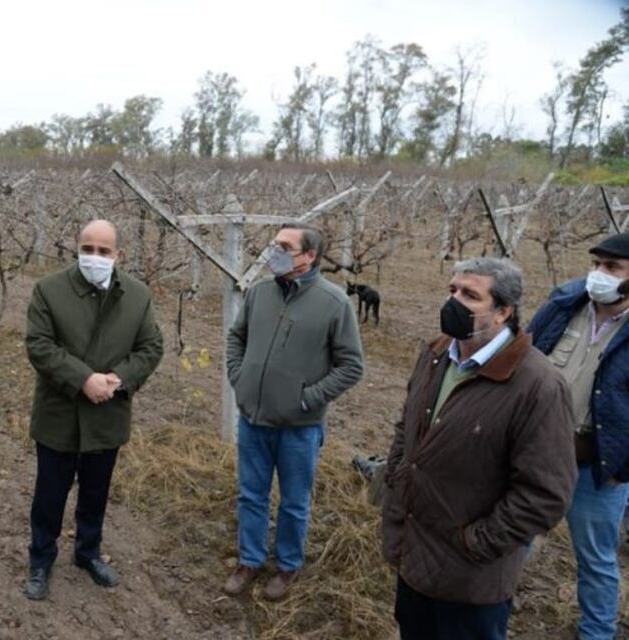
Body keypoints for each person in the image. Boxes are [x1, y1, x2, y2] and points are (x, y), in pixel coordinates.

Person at [381, 257, 577, 640]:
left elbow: (546, 494)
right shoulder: (436, 353)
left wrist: (477, 542)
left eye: (470, 295)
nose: (453, 302)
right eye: (452, 290)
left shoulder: (538, 386)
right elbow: (408, 429)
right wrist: (395, 486)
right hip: (413, 553)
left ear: (503, 311)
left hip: (471, 577)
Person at [22, 219, 164, 601]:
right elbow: (39, 345)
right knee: (49, 495)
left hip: (107, 415)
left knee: (96, 492)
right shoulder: (49, 290)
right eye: (88, 249)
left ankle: (88, 552)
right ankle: (41, 560)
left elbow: (151, 347)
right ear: (77, 248)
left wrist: (118, 379)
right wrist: (84, 379)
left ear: (119, 255)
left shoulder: (137, 296)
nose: (94, 257)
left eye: (103, 251)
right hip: (59, 414)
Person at [223, 225, 364, 601]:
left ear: (310, 256)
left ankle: (287, 566)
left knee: (294, 502)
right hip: (253, 419)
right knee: (251, 495)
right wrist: (240, 378)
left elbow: (352, 366)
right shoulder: (260, 293)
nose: (275, 251)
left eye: (285, 247)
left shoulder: (334, 303)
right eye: (274, 244)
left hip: (299, 427)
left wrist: (307, 398)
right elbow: (237, 337)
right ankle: (249, 560)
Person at [527, 232, 629, 640]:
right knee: (513, 538)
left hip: (597, 465)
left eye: (612, 267)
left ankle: (597, 633)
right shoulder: (563, 305)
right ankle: (487, 609)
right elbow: (523, 358)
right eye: (596, 264)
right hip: (535, 454)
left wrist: (624, 467)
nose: (598, 274)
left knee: (596, 559)